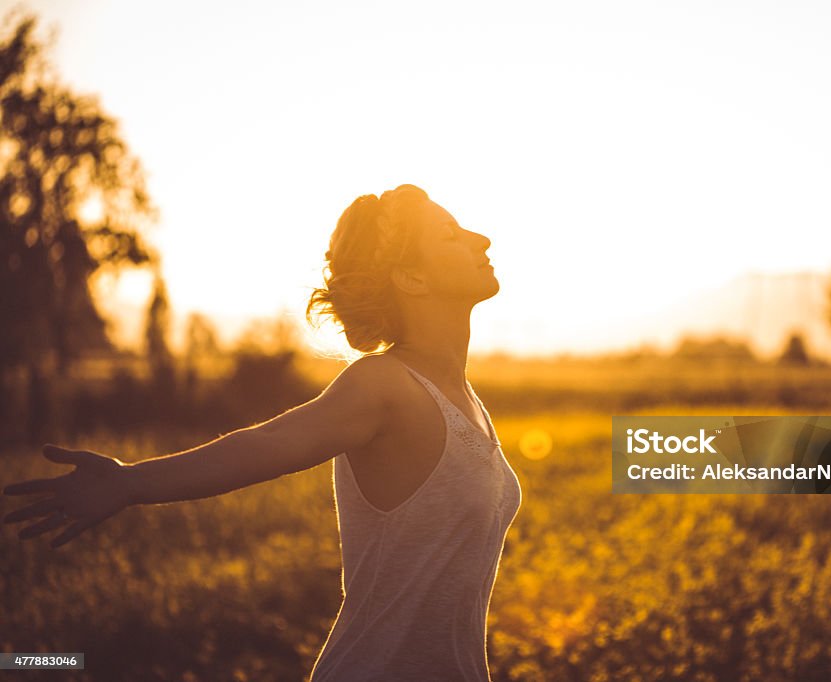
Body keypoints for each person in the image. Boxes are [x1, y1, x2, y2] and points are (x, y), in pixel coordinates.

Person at [2, 184, 523, 681]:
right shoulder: (384, 386)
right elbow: (262, 445)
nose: (482, 239)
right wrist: (128, 481)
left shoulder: (465, 398)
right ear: (412, 278)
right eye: (452, 236)